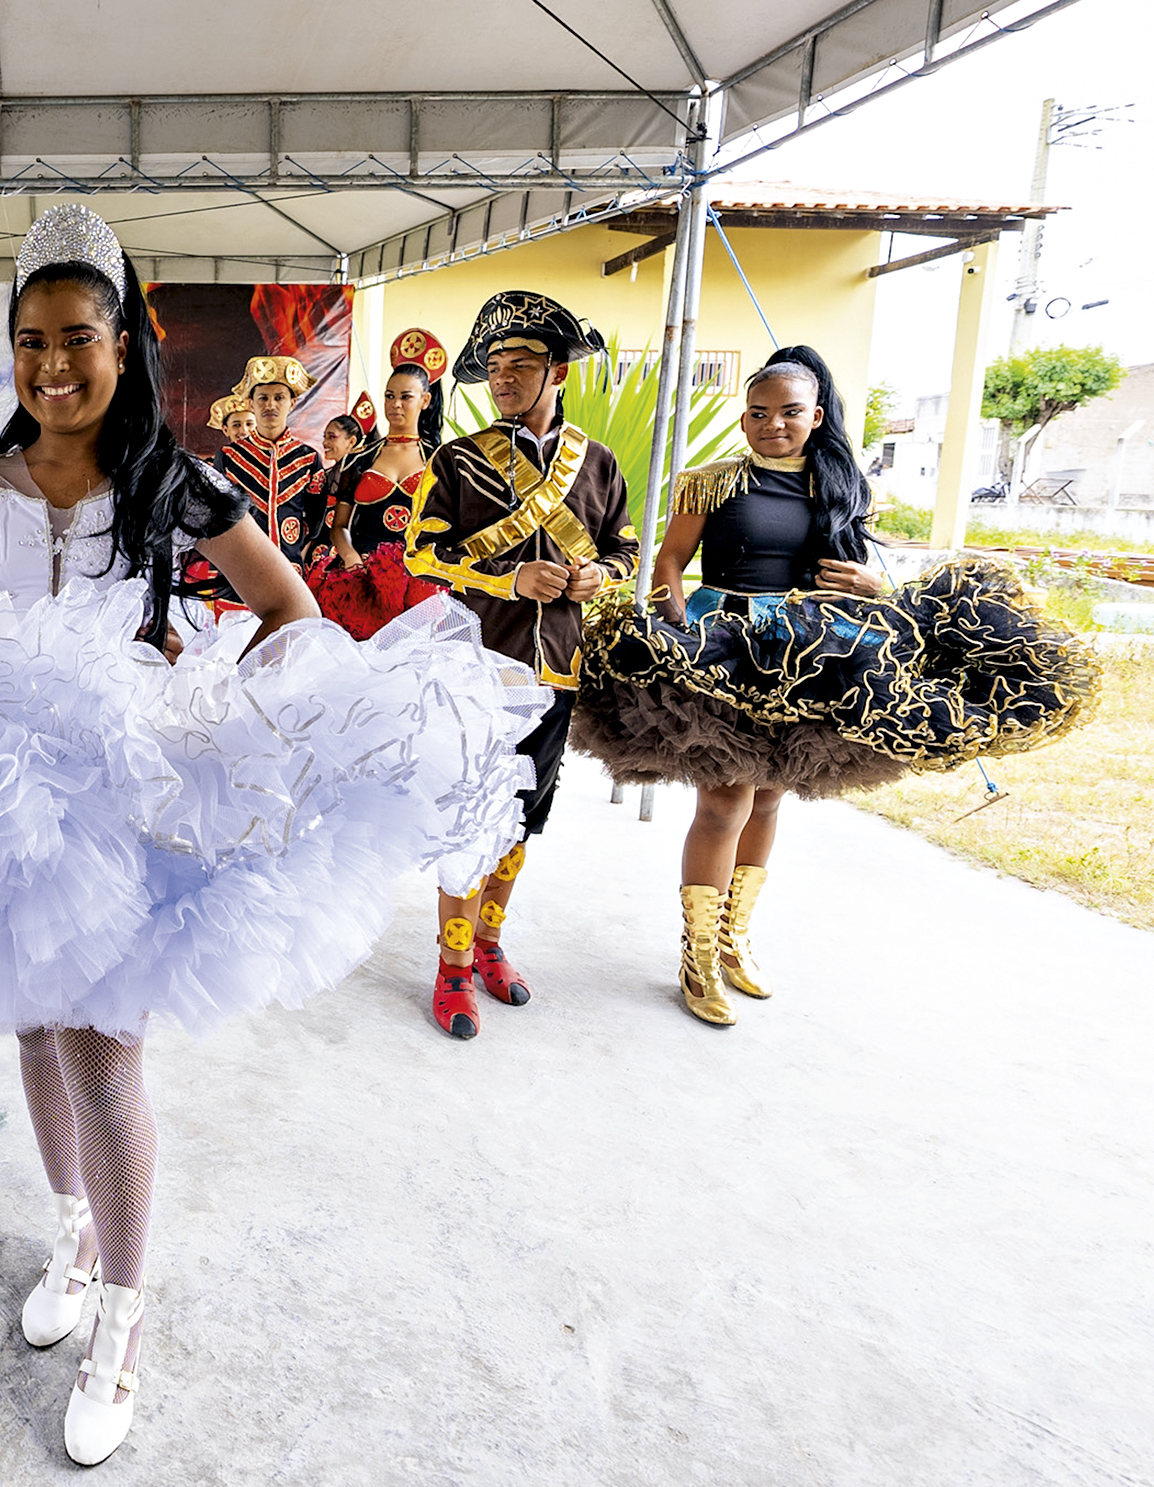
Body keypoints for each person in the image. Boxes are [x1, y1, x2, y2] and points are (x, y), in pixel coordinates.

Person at [0, 204, 548, 1465]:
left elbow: (292, 613)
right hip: (1, 807)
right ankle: (73, 1234)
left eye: (78, 337)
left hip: (129, 802)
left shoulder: (174, 484)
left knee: (105, 1050)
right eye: (29, 341)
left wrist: (237, 713)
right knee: (35, 1020)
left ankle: (123, 1322)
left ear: (124, 346)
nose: (52, 365)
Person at [570, 345, 1099, 1027]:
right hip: (723, 649)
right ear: (743, 419)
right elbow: (671, 558)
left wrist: (875, 585)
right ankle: (695, 955)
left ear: (815, 415)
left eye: (789, 412)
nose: (773, 425)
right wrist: (672, 616)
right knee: (723, 802)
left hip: (809, 652)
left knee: (767, 801)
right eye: (758, 413)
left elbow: (859, 571)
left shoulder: (840, 487)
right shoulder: (708, 482)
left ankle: (733, 938)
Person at [404, 290, 639, 1041]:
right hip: (476, 668)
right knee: (468, 818)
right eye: (495, 366)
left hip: (556, 669)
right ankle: (448, 966)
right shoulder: (457, 459)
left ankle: (488, 945)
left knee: (519, 823)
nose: (503, 377)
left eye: (521, 364)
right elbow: (420, 550)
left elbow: (626, 549)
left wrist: (600, 574)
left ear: (558, 371)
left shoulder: (597, 463)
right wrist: (502, 580)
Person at [307, 329, 451, 640]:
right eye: (389, 396)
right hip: (360, 581)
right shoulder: (359, 459)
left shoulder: (440, 461)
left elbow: (449, 526)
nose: (395, 405)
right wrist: (350, 559)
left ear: (425, 400)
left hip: (418, 584)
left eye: (406, 397)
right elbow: (339, 525)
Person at [215, 354, 326, 572]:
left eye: (279, 398)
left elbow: (315, 519)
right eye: (263, 398)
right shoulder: (229, 456)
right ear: (251, 404)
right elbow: (220, 514)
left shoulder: (309, 458)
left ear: (292, 403)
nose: (270, 405)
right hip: (241, 568)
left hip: (290, 565)